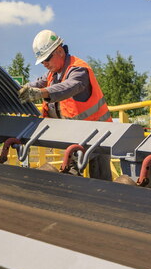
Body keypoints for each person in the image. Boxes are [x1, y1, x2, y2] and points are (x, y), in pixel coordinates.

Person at [18, 29, 113, 180]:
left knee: (98, 180)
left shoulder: (79, 70)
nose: (44, 64)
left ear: (60, 51)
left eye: (47, 59)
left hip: (99, 134)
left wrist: (42, 93)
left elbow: (69, 87)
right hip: (79, 135)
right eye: (42, 61)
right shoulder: (53, 73)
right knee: (78, 175)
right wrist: (15, 90)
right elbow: (36, 84)